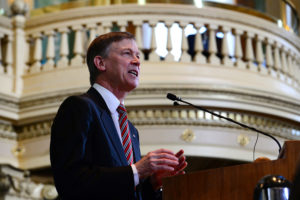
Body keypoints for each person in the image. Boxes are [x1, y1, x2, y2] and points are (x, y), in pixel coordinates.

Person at [50, 32, 187, 200]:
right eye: (127, 53)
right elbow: (70, 181)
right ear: (100, 63)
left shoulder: (131, 130)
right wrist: (137, 170)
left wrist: (152, 183)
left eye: (137, 55)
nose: (137, 61)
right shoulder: (79, 107)